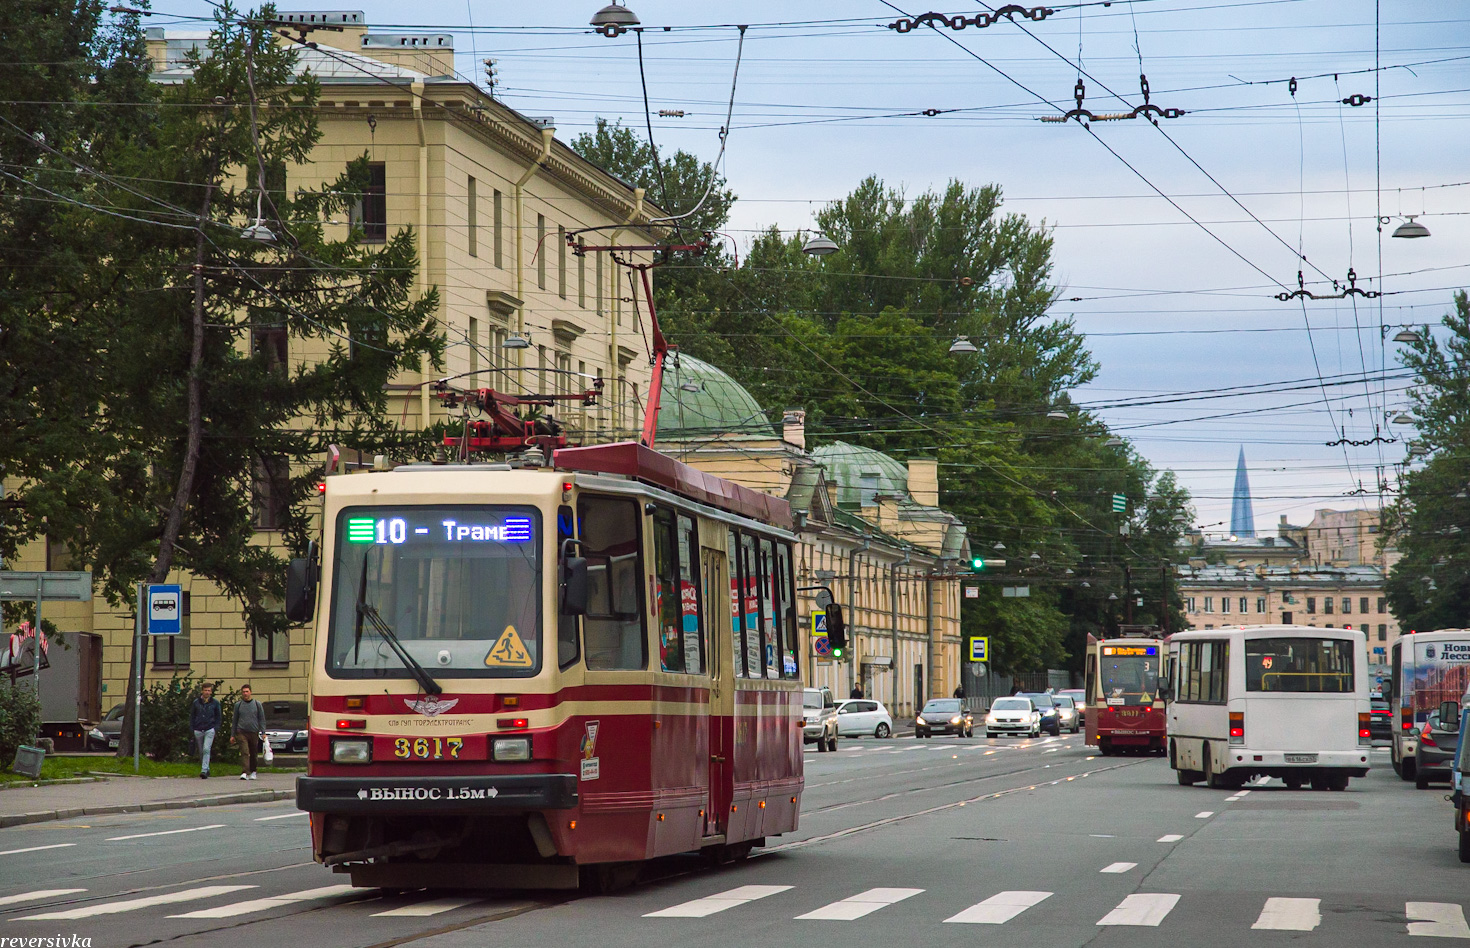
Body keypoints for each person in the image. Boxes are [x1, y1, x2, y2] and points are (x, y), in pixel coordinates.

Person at [190, 683, 222, 779]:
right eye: (205, 690)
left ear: (211, 692)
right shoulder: (196, 702)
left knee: (206, 749)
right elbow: (192, 716)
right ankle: (206, 768)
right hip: (198, 729)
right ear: (202, 691)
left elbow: (218, 716)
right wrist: (192, 728)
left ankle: (203, 770)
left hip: (209, 728)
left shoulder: (215, 703)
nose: (207, 692)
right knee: (201, 751)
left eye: (209, 690)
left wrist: (216, 728)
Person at [233, 684, 265, 780]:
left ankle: (253, 771)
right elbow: (235, 720)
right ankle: (244, 772)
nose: (245, 694)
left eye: (247, 691)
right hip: (241, 731)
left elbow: (261, 719)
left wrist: (263, 732)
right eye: (243, 692)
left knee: (253, 752)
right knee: (244, 751)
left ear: (250, 692)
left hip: (253, 732)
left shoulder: (257, 704)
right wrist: (232, 735)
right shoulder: (238, 705)